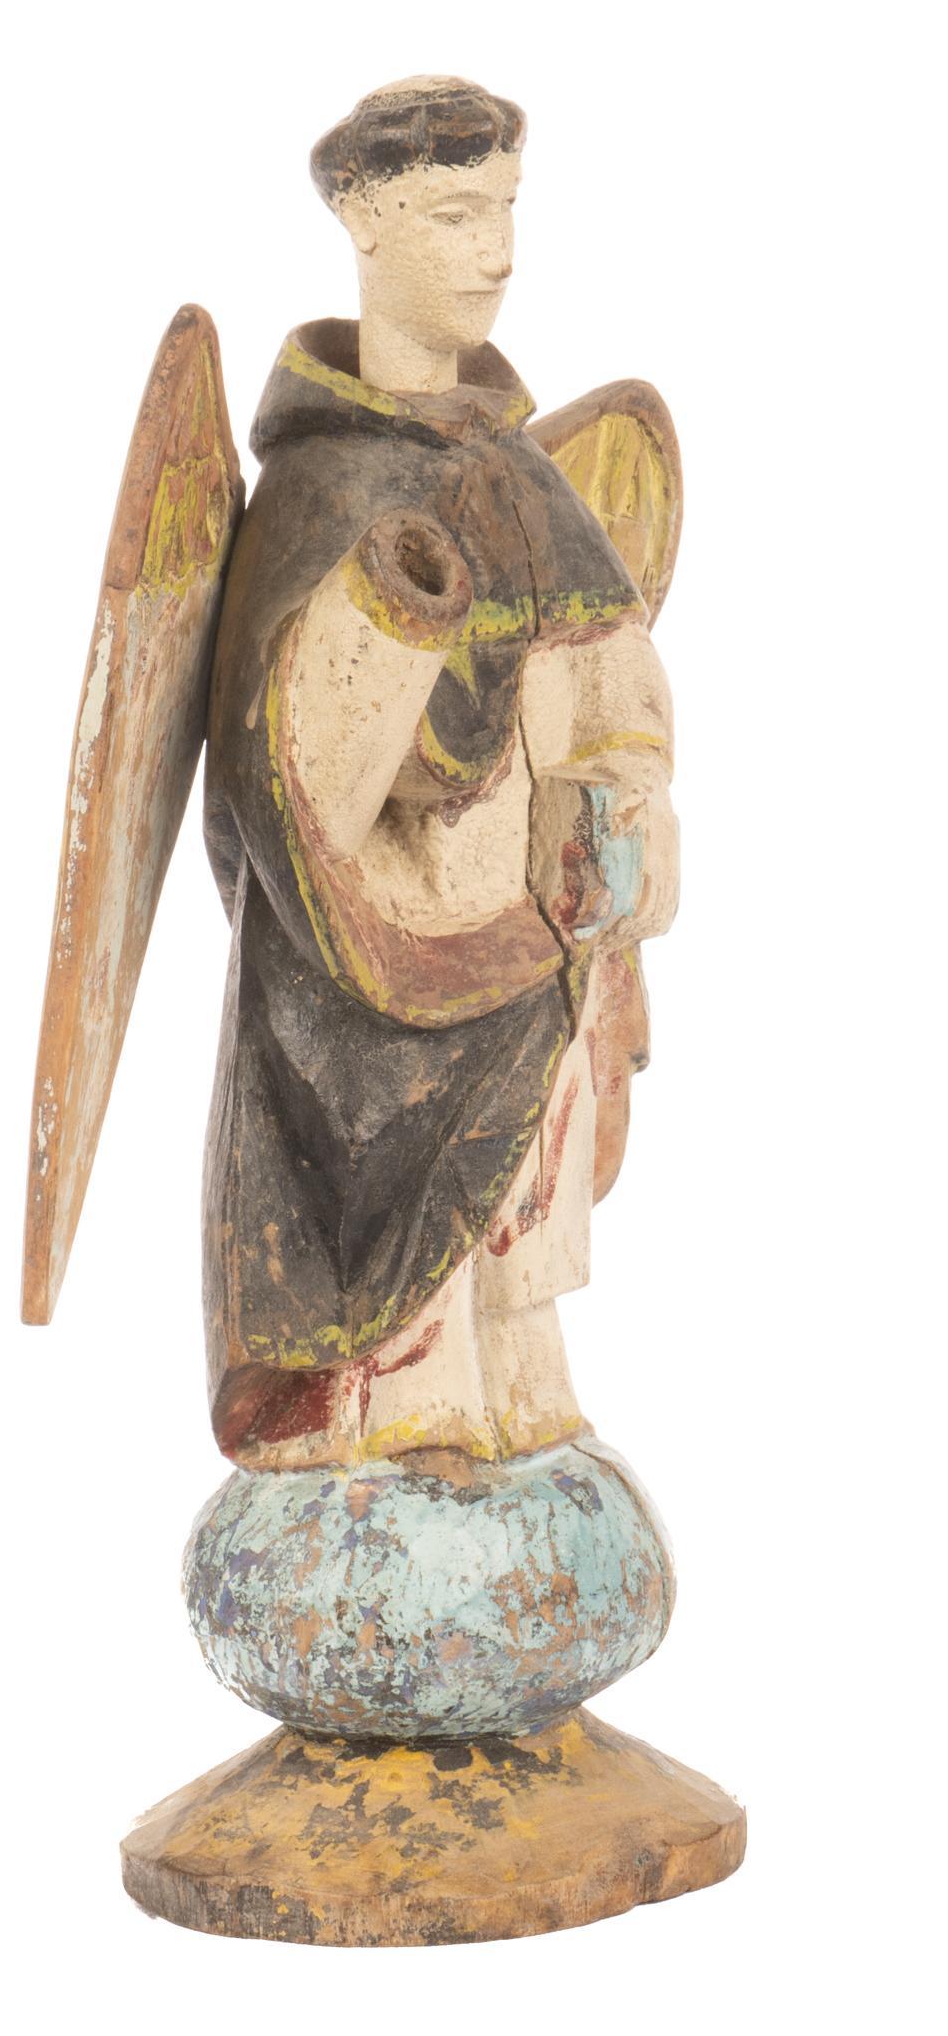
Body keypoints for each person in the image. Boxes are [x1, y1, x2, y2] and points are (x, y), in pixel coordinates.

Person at [201, 76, 678, 1473]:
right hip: (370, 971)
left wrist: (620, 782)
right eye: (456, 217)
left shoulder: (522, 475)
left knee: (523, 1195)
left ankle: (518, 1381)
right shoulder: (317, 487)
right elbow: (287, 780)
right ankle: (401, 1407)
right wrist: (391, 623)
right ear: (362, 220)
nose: (497, 253)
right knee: (399, 1189)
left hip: (532, 931)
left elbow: (614, 667)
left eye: (506, 211)